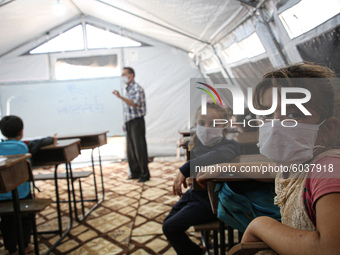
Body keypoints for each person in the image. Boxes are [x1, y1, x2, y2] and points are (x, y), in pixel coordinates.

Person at [218, 62, 340, 254]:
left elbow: (331, 248)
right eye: (267, 114)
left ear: (327, 129)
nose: (275, 125)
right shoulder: (295, 163)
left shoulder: (328, 169)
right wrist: (225, 167)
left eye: (294, 113)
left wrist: (260, 225)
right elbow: (271, 169)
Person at [163, 102, 241, 255]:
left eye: (213, 124)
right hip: (195, 195)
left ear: (224, 128)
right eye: (202, 123)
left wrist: (186, 168)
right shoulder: (198, 145)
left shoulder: (230, 146)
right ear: (195, 125)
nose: (206, 128)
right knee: (167, 224)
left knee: (170, 227)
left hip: (212, 202)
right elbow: (195, 148)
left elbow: (218, 156)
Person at [0, 115, 56, 255]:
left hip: (2, 195)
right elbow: (41, 142)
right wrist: (52, 139)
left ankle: (11, 249)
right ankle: (25, 245)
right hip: (22, 194)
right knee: (26, 217)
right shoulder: (25, 146)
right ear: (21, 131)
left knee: (6, 221)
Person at [112, 67, 150, 182]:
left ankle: (145, 174)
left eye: (124, 74)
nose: (122, 76)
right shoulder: (128, 89)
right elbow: (127, 108)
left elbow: (134, 103)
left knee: (139, 149)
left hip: (137, 122)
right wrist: (125, 122)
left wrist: (120, 97)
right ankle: (135, 172)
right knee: (131, 150)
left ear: (131, 75)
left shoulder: (137, 88)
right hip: (129, 122)